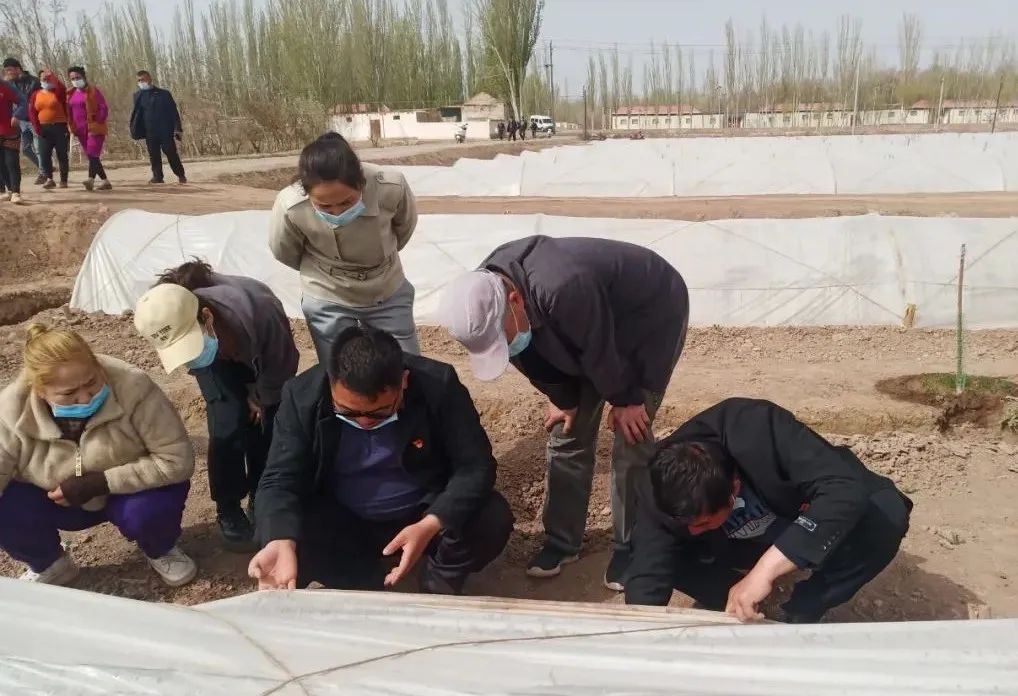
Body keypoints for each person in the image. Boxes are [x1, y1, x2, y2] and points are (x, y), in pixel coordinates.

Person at [438, 236, 688, 592]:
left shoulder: (562, 286)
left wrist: (626, 399)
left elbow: (599, 348)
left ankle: (630, 545)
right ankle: (562, 541)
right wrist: (561, 395)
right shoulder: (484, 294)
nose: (503, 347)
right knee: (567, 431)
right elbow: (523, 353)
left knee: (632, 435)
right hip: (584, 322)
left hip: (646, 318)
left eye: (501, 338)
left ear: (515, 300)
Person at [249, 326, 513, 595]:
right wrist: (279, 539)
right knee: (282, 525)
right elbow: (279, 478)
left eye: (379, 413)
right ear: (331, 383)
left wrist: (432, 522)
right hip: (343, 519)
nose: (364, 422)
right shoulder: (302, 396)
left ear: (404, 381)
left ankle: (440, 576)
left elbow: (475, 465)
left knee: (491, 517)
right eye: (348, 412)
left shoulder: (438, 385)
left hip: (420, 512)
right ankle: (363, 581)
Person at [625, 398, 913, 623]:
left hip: (794, 519)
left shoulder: (757, 427)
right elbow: (649, 571)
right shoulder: (660, 480)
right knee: (666, 555)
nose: (691, 530)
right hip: (731, 547)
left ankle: (802, 608)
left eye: (703, 522)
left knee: (886, 517)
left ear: (734, 488)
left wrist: (765, 571)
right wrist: (637, 639)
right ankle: (739, 601)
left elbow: (844, 489)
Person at [0, 324, 197, 587]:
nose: (85, 398)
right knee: (7, 506)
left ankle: (160, 548)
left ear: (97, 366)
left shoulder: (133, 387)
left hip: (131, 494)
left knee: (148, 513)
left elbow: (176, 460)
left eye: (92, 382)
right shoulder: (11, 411)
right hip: (58, 501)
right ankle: (49, 563)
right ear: (39, 390)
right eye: (69, 394)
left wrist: (100, 482)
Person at [134, 264, 299, 551]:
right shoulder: (167, 317)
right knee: (227, 421)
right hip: (216, 356)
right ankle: (228, 507)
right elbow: (192, 353)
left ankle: (262, 493)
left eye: (193, 345)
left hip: (258, 356)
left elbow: (282, 364)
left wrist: (260, 396)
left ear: (207, 316)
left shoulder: (261, 311)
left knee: (266, 423)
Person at [269, 132, 419, 365]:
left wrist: (379, 259)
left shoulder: (390, 187)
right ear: (307, 194)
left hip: (386, 287)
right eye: (324, 206)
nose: (337, 212)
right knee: (339, 369)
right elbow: (284, 250)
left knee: (404, 364)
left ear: (361, 183)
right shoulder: (291, 206)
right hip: (327, 290)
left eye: (347, 202)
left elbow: (404, 227)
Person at [130, 70, 186, 185]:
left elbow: (173, 112)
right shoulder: (138, 96)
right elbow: (137, 114)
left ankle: (181, 175)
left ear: (150, 79)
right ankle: (157, 177)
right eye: (139, 80)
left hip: (165, 130)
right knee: (154, 155)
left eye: (143, 79)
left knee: (171, 153)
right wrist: (135, 130)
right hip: (149, 131)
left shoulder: (164, 94)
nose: (141, 82)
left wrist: (178, 128)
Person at [66, 66, 111, 191]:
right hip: (80, 129)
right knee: (92, 156)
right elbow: (69, 111)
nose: (75, 80)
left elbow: (103, 108)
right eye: (72, 78)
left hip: (94, 128)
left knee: (92, 153)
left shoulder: (93, 91)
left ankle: (90, 179)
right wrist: (71, 126)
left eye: (78, 77)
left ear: (84, 77)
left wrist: (98, 120)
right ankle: (105, 181)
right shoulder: (70, 94)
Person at [1, 58, 42, 185]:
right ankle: (45, 168)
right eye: (6, 71)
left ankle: (43, 173)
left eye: (10, 70)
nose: (8, 73)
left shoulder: (34, 82)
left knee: (38, 148)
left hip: (34, 119)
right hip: (21, 121)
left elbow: (28, 100)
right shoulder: (10, 83)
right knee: (25, 149)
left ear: (18, 69)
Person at [29, 69, 70, 189]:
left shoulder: (58, 92)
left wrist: (52, 76)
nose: (46, 81)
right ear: (40, 80)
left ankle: (63, 180)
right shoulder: (36, 94)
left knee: (62, 154)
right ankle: (49, 179)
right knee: (44, 155)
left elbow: (62, 89)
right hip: (44, 128)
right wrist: (37, 128)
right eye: (44, 79)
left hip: (59, 127)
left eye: (48, 79)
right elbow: (32, 112)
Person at [0, 77, 23, 203]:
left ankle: (16, 192)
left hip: (9, 131)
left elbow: (23, 102)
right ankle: (8, 190)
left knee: (11, 162)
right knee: (1, 164)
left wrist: (17, 115)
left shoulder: (6, 87)